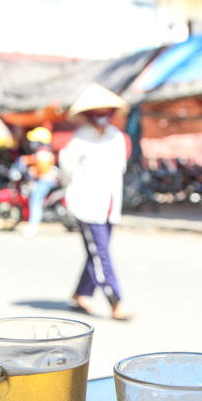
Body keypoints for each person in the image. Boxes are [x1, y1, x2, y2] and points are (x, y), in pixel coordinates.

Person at [59, 83, 133, 321]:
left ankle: (80, 293)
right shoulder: (80, 140)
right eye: (96, 112)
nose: (102, 117)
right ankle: (116, 302)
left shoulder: (117, 138)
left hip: (110, 205)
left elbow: (119, 169)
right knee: (101, 254)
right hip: (87, 205)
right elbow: (66, 170)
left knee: (97, 253)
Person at [22, 126, 57, 238]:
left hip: (44, 181)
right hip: (45, 180)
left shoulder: (43, 153)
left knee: (36, 201)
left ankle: (33, 226)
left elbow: (42, 170)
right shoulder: (42, 152)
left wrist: (33, 172)